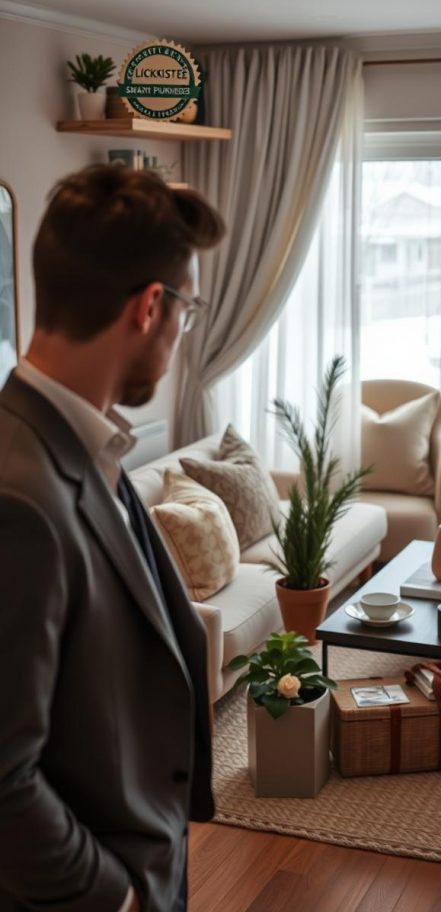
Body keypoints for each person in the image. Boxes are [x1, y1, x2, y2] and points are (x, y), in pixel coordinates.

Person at [0, 165, 226, 911]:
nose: (182, 334)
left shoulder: (86, 443)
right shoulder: (19, 498)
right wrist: (116, 898)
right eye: (188, 310)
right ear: (150, 307)